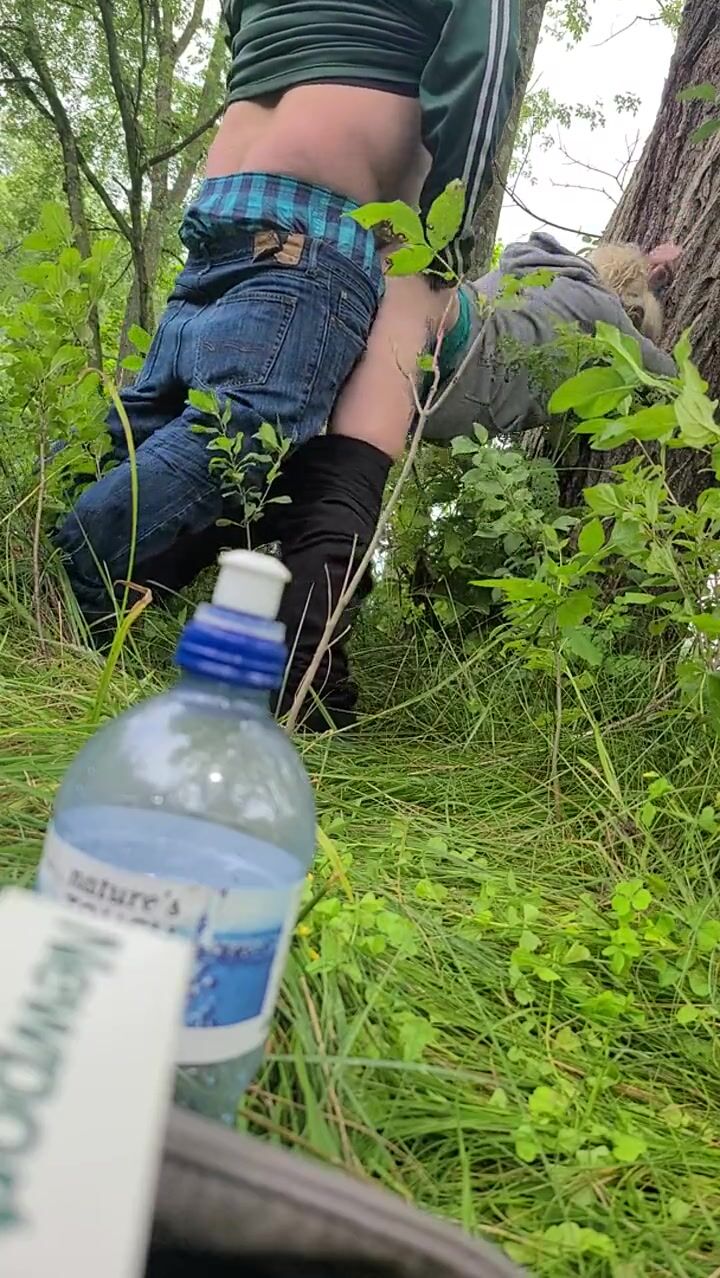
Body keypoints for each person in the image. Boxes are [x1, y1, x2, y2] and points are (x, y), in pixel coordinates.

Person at [55, 0, 521, 729]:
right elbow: (483, 71)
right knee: (245, 430)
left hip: (223, 207)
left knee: (147, 425)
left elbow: (240, 30)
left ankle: (37, 589)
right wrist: (442, 247)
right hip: (315, 223)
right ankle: (72, 566)